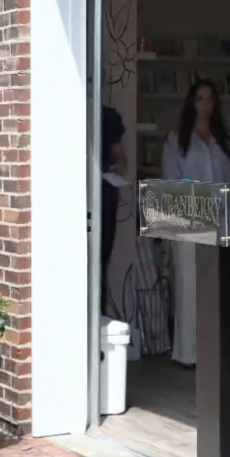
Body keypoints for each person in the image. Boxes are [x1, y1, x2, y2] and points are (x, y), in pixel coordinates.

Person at [160, 79, 230, 369]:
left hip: (220, 217)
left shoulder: (226, 139)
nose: (205, 105)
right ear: (191, 103)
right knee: (188, 287)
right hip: (187, 217)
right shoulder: (176, 139)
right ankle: (186, 353)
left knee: (218, 288)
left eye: (209, 99)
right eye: (199, 99)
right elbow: (170, 179)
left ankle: (216, 350)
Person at [100, 105, 126, 313]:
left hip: (103, 192)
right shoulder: (108, 116)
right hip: (104, 192)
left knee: (99, 262)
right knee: (100, 262)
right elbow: (120, 159)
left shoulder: (106, 117)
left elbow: (119, 159)